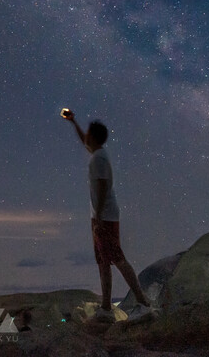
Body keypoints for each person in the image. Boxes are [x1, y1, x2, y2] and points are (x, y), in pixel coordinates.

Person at [62, 109, 153, 323]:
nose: (85, 138)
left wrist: (100, 218)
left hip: (105, 217)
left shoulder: (99, 159)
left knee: (118, 259)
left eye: (88, 134)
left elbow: (103, 186)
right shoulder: (98, 155)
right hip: (101, 216)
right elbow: (84, 143)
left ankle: (143, 302)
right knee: (104, 261)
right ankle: (106, 307)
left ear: (93, 137)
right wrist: (73, 121)